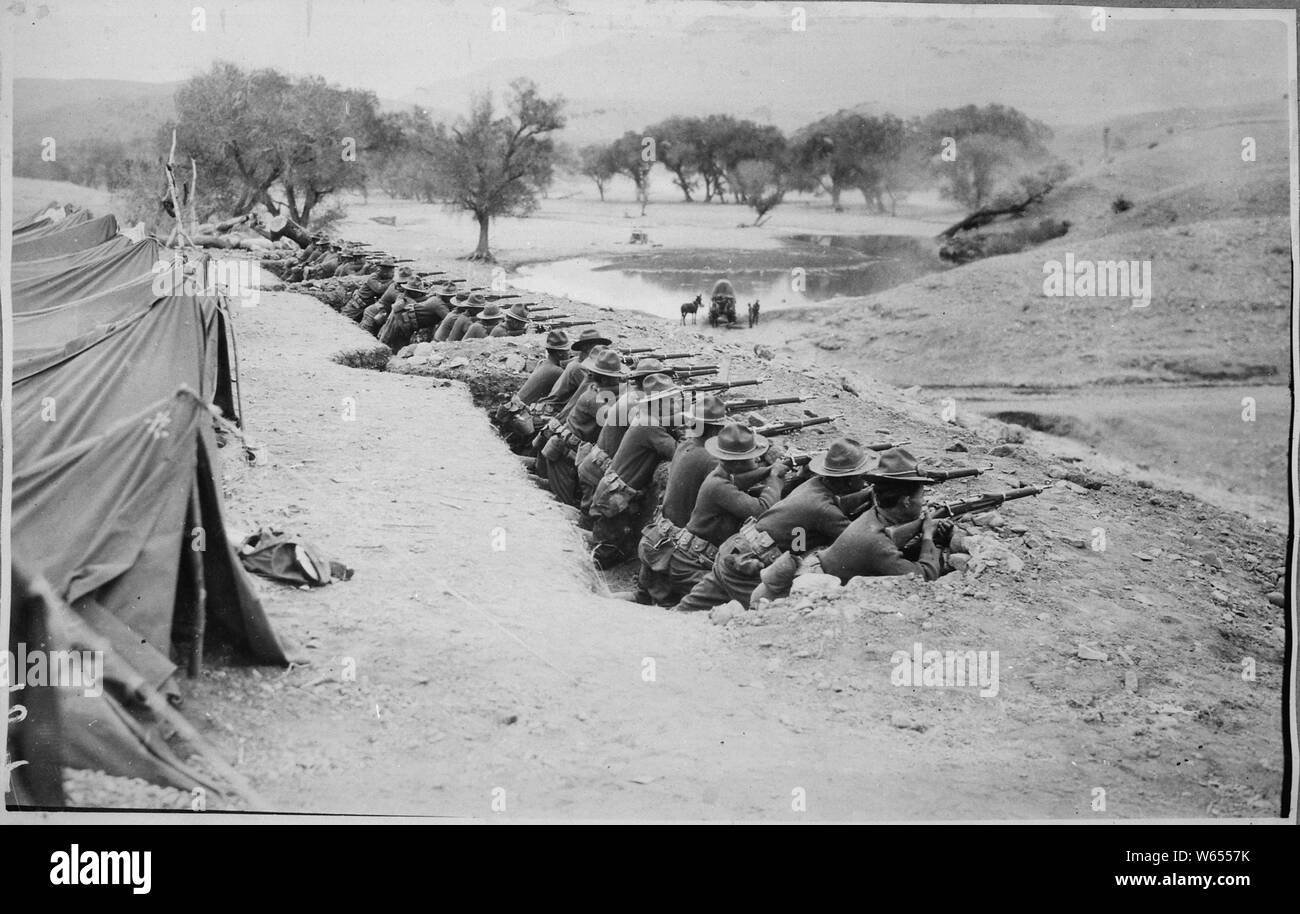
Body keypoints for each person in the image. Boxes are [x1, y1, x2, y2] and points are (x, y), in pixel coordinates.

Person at [671, 437, 875, 613]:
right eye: (861, 477)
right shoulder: (823, 510)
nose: (865, 482)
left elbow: (837, 504)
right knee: (770, 614)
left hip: (734, 553)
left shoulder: (812, 486)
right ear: (848, 482)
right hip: (748, 569)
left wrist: (868, 495)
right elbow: (857, 541)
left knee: (686, 610)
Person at [637, 423, 786, 605]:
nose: (757, 461)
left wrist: (769, 471)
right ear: (738, 463)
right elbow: (762, 509)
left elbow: (741, 479)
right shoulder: (718, 485)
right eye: (753, 458)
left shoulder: (722, 474)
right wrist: (775, 479)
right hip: (690, 564)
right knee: (739, 599)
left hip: (683, 556)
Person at [810, 448, 967, 584]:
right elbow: (925, 577)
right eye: (921, 496)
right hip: (818, 586)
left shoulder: (872, 515)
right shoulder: (878, 543)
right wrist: (927, 536)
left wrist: (934, 536)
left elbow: (895, 545)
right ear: (906, 501)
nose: (922, 502)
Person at [588, 376, 682, 565]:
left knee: (614, 543)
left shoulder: (645, 417)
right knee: (604, 554)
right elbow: (678, 453)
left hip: (617, 492)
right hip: (616, 497)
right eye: (670, 400)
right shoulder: (649, 425)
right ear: (658, 403)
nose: (675, 405)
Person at [541, 348, 627, 508]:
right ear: (607, 380)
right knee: (563, 504)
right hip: (563, 455)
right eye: (617, 379)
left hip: (570, 452)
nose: (620, 382)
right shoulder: (593, 398)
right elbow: (618, 418)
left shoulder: (596, 390)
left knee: (564, 498)